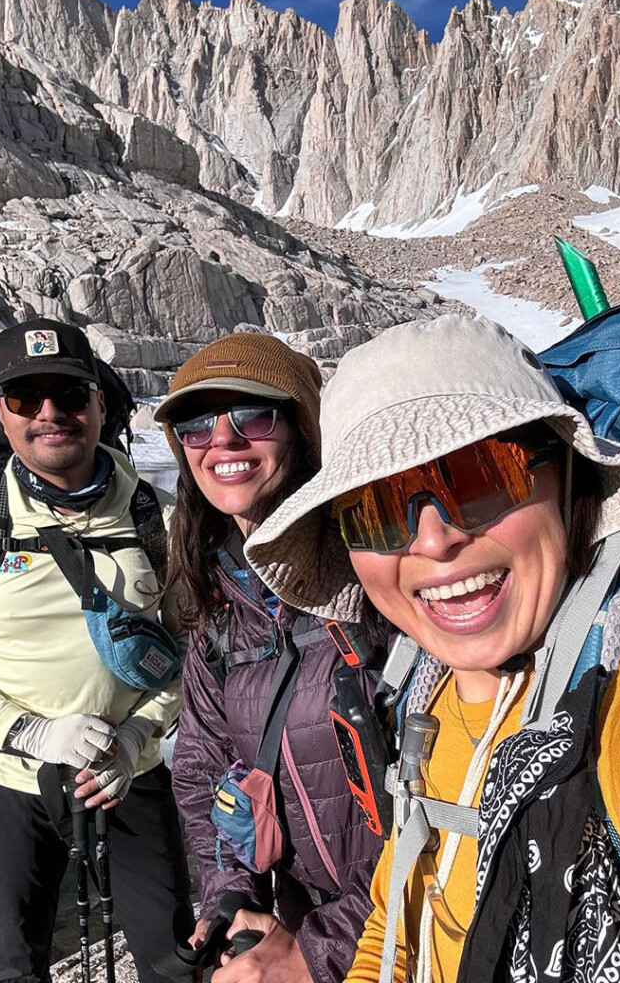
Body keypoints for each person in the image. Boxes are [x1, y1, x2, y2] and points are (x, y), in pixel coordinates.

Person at [245, 314, 620, 983]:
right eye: (376, 511)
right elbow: (398, 920)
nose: (433, 541)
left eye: (480, 476)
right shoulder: (430, 695)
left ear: (570, 484)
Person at [0, 318, 194, 983]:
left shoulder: (160, 519)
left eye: (69, 394)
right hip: (8, 785)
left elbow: (193, 651)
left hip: (130, 776)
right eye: (26, 398)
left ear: (99, 405)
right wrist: (31, 732)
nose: (50, 414)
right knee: (16, 967)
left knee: (173, 959)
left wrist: (138, 733)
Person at [153, 332, 388, 983]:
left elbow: (459, 801)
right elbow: (202, 766)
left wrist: (322, 949)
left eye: (252, 416)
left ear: (303, 431)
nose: (222, 441)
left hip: (398, 929)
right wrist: (232, 893)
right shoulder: (222, 611)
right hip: (301, 925)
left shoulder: (377, 576)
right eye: (196, 426)